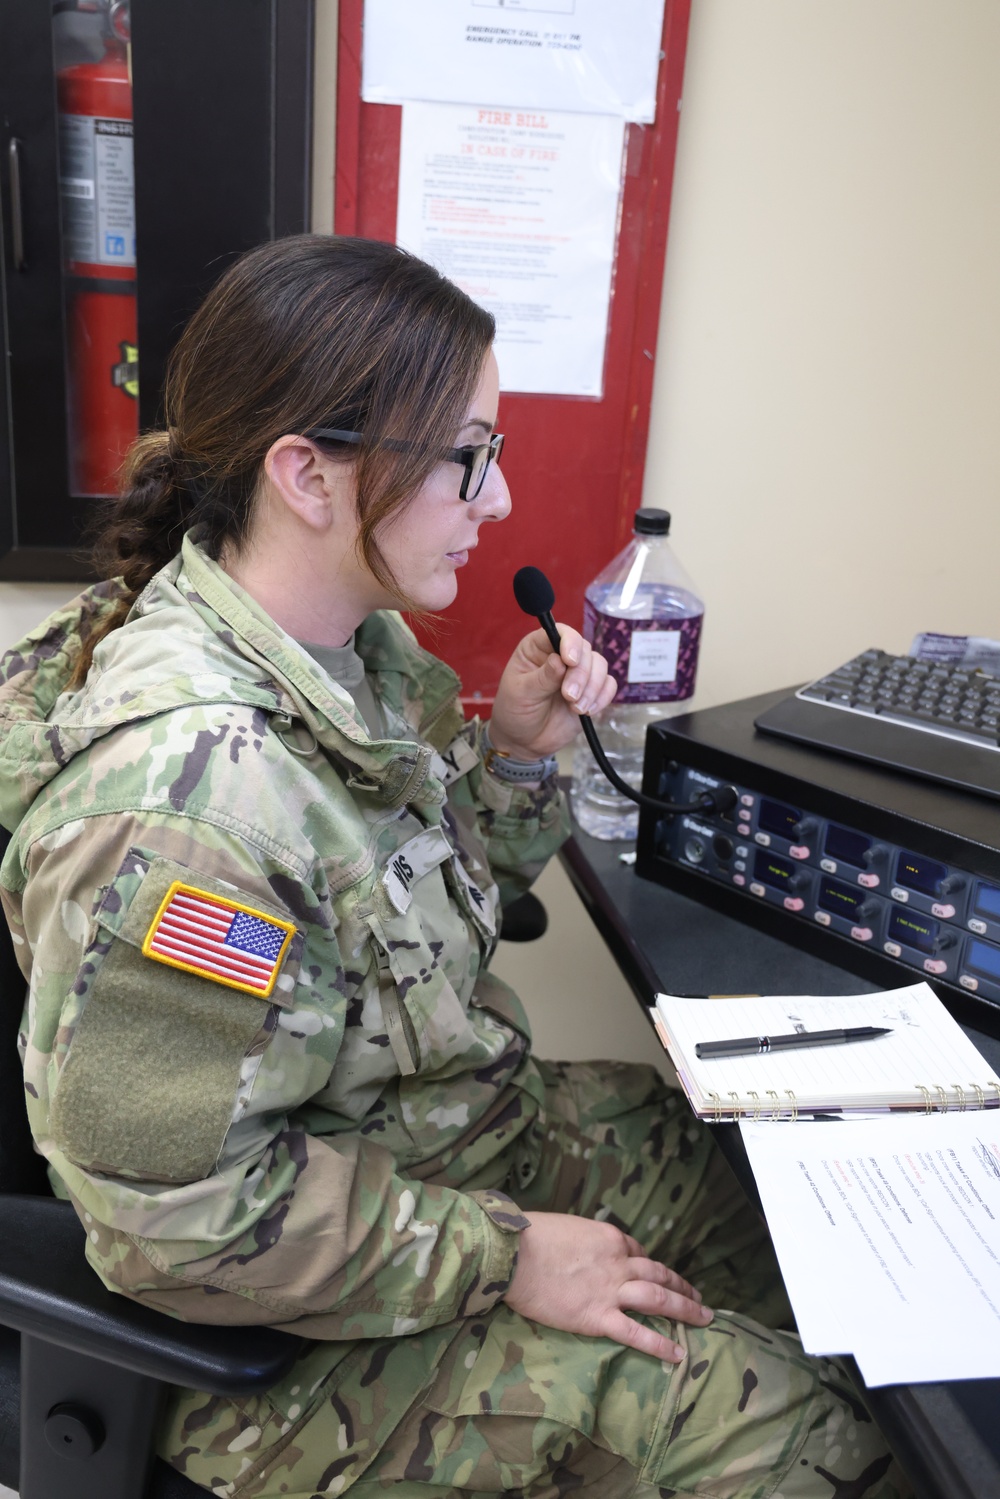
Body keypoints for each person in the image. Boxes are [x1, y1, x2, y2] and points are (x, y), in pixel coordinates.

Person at [0, 235, 910, 1499]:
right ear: (308, 476)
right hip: (278, 1344)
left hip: (441, 1144)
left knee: (803, 1227)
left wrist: (524, 759)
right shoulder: (186, 811)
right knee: (799, 1436)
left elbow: (408, 919)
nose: (496, 502)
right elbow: (177, 1226)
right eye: (467, 457)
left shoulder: (356, 654)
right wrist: (506, 1255)